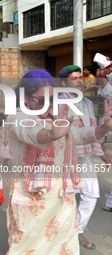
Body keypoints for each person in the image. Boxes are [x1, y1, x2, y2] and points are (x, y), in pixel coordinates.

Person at [5, 69, 112, 255]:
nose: (47, 105)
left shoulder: (56, 117)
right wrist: (51, 134)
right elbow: (33, 135)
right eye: (41, 100)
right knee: (29, 249)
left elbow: (77, 135)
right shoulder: (18, 118)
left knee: (62, 248)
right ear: (24, 99)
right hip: (33, 200)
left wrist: (103, 128)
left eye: (51, 99)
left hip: (62, 198)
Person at [59, 64, 109, 250]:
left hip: (85, 157)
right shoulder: (57, 103)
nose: (80, 81)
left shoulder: (87, 103)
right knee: (65, 197)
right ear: (64, 83)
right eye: (74, 78)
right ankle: (63, 234)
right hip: (64, 158)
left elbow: (94, 128)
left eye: (81, 77)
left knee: (91, 195)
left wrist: (101, 153)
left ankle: (77, 231)